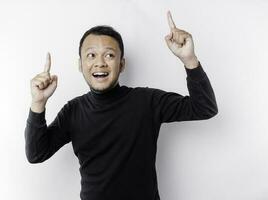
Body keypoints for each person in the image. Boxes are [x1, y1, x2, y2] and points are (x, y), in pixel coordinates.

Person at [24, 11, 218, 200]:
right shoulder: (73, 111)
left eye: (109, 55)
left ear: (122, 64)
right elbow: (36, 153)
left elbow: (205, 108)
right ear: (80, 65)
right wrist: (38, 103)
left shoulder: (146, 101)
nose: (100, 63)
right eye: (91, 55)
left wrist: (189, 59)